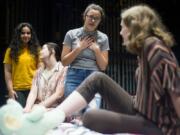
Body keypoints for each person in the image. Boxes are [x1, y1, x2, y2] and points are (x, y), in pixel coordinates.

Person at [55, 4, 180, 135]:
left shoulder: (154, 47)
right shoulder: (143, 51)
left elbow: (176, 91)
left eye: (122, 27)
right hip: (141, 109)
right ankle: (54, 117)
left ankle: (53, 117)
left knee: (91, 116)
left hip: (158, 124)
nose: (120, 32)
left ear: (134, 27)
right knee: (97, 84)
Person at [61, 3, 109, 109]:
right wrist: (79, 48)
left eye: (97, 18)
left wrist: (97, 50)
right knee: (72, 113)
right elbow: (64, 62)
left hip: (93, 76)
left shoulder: (103, 38)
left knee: (91, 113)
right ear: (84, 16)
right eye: (91, 17)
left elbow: (103, 67)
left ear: (100, 20)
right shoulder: (71, 34)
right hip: (74, 74)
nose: (93, 20)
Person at [3, 22, 41, 107]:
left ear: (31, 35)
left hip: (33, 89)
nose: (26, 35)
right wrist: (10, 90)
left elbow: (40, 71)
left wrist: (39, 90)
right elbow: (7, 71)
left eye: (28, 33)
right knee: (20, 115)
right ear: (18, 34)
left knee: (32, 115)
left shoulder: (37, 50)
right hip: (17, 90)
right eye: (23, 33)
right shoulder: (10, 50)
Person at [24, 42, 67, 112]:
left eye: (43, 49)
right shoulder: (38, 72)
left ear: (52, 51)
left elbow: (58, 94)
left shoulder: (63, 70)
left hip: (55, 110)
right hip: (37, 109)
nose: (40, 51)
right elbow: (33, 93)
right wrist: (27, 108)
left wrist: (39, 107)